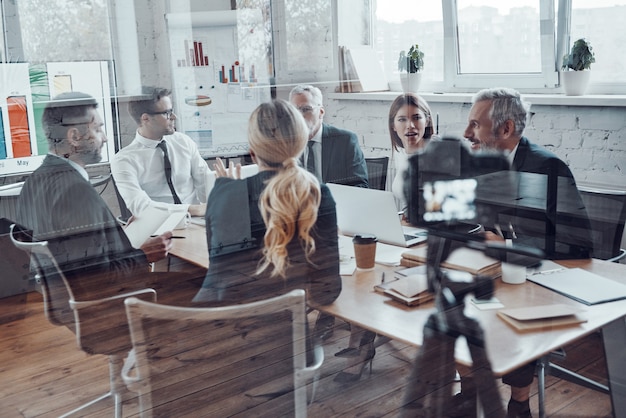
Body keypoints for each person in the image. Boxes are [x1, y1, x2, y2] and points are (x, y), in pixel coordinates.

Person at [463, 87, 593, 418]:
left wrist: (506, 245)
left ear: (505, 129)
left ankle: (519, 403)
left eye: (475, 125)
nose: (466, 134)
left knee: (507, 310)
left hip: (547, 280)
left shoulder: (547, 169)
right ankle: (467, 391)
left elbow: (578, 245)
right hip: (504, 273)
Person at [16, 92, 199, 304]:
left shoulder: (35, 180)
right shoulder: (76, 190)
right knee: (207, 283)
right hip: (110, 304)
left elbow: (74, 249)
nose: (104, 137)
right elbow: (98, 277)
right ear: (74, 137)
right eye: (98, 128)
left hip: (67, 302)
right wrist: (143, 254)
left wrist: (119, 234)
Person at [192, 98, 341, 309]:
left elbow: (222, 272)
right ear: (301, 144)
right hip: (283, 334)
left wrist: (229, 193)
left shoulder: (224, 192)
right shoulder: (316, 194)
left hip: (217, 325)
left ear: (252, 153)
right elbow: (326, 293)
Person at [110, 87, 211, 218]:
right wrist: (194, 210)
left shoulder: (183, 142)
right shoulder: (124, 160)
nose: (174, 117)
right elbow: (140, 207)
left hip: (198, 222)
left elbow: (206, 184)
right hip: (160, 228)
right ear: (145, 119)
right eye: (167, 113)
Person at [289, 84, 368, 188]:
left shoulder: (345, 141)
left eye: (306, 109)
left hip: (337, 202)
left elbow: (361, 186)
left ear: (321, 112)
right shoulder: (286, 143)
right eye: (294, 111)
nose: (299, 116)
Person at [388, 93, 436, 210]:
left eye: (417, 117)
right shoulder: (401, 153)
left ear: (427, 121)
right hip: (409, 223)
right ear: (393, 125)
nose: (410, 125)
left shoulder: (437, 154)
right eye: (402, 119)